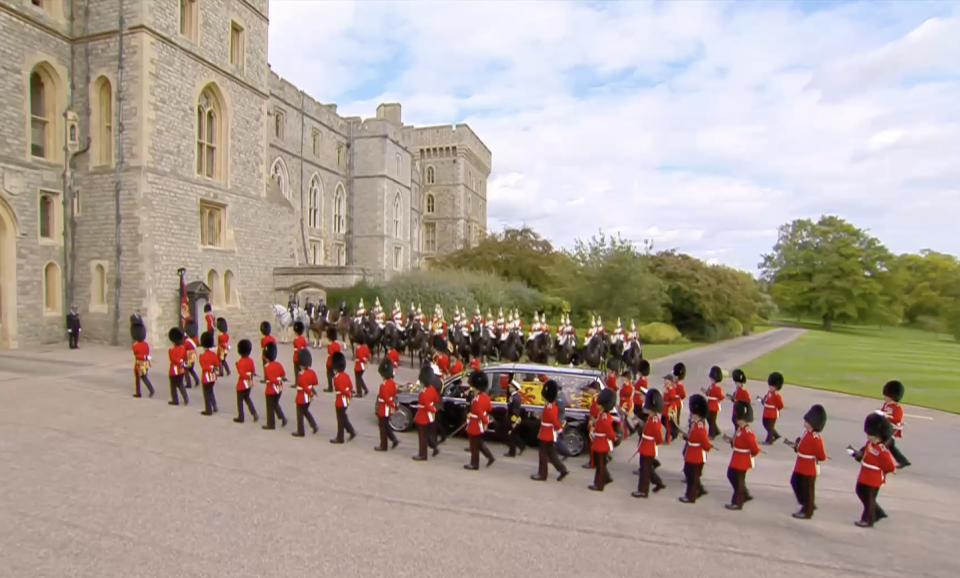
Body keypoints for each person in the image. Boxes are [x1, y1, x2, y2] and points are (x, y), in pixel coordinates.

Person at [850, 413, 897, 528]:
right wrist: (857, 455)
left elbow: (890, 466)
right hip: (865, 474)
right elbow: (865, 454)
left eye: (870, 434)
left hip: (873, 478)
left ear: (878, 436)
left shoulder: (882, 450)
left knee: (869, 498)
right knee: (860, 492)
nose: (868, 436)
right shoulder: (870, 444)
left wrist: (882, 471)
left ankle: (868, 519)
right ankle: (878, 513)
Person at [786, 404, 828, 519]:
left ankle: (807, 510)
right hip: (800, 464)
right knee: (795, 482)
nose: (805, 423)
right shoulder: (806, 433)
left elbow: (821, 456)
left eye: (808, 422)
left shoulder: (816, 438)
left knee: (807, 489)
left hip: (809, 467)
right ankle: (807, 504)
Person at [725, 401, 761, 510]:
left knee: (738, 481)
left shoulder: (747, 431)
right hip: (736, 458)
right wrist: (731, 442)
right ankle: (744, 495)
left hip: (742, 460)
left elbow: (754, 448)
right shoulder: (740, 429)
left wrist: (751, 455)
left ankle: (738, 502)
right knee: (732, 476)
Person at [532, 379, 569, 482]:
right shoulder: (549, 406)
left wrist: (559, 429)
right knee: (551, 454)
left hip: (547, 433)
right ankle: (562, 470)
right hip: (546, 431)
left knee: (542, 454)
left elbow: (554, 421)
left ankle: (542, 474)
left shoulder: (551, 407)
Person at [633, 388, 666, 498]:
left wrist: (652, 443)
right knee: (646, 468)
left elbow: (658, 438)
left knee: (645, 471)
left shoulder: (655, 420)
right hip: (645, 445)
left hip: (649, 447)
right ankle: (659, 483)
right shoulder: (651, 418)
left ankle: (643, 491)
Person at [679, 394, 712, 504]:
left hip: (696, 456)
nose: (691, 417)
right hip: (691, 454)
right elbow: (692, 438)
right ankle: (697, 492)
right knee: (690, 475)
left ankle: (690, 497)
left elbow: (704, 443)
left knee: (692, 478)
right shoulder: (695, 425)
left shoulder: (700, 427)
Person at [464, 370, 496, 470]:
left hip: (476, 424)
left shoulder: (477, 399)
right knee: (479, 443)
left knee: (474, 446)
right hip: (478, 423)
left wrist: (485, 421)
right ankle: (490, 457)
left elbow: (479, 413)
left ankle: (474, 464)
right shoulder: (485, 397)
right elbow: (489, 409)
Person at [588, 388, 617, 492]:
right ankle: (605, 479)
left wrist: (614, 439)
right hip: (598, 442)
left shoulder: (605, 417)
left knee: (600, 465)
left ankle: (600, 485)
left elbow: (609, 432)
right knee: (600, 465)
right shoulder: (602, 415)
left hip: (602, 444)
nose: (597, 405)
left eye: (599, 404)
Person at [879, 380, 911, 468]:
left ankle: (885, 463)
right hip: (884, 428)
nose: (884, 397)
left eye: (886, 395)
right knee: (890, 447)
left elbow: (897, 419)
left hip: (891, 430)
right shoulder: (886, 405)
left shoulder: (897, 408)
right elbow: (882, 413)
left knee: (883, 445)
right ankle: (903, 461)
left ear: (891, 396)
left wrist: (887, 417)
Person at [413, 365, 441, 461]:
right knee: (427, 434)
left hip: (423, 415)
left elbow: (426, 405)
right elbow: (436, 399)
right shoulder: (432, 389)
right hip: (429, 416)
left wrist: (432, 409)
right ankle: (435, 447)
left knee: (422, 437)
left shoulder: (424, 392)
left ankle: (423, 455)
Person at [330, 351, 357, 444]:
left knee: (340, 420)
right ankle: (351, 431)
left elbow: (341, 389)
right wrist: (350, 393)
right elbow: (350, 386)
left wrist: (348, 393)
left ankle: (340, 437)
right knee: (343, 417)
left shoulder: (336, 378)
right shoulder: (346, 375)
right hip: (346, 400)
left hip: (340, 400)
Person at [292, 349, 320, 437]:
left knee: (299, 414)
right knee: (306, 411)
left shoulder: (301, 375)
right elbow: (315, 382)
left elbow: (303, 386)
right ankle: (314, 425)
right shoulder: (312, 372)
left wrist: (309, 392)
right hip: (309, 396)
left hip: (302, 396)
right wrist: (312, 391)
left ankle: (301, 431)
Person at [374, 359, 400, 451]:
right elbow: (393, 394)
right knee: (386, 425)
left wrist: (392, 404)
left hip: (384, 408)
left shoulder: (383, 385)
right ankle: (394, 439)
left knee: (382, 428)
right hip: (388, 408)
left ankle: (383, 445)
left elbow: (386, 398)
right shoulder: (392, 383)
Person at [261, 341, 288, 430]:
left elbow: (269, 378)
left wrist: (275, 381)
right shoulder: (278, 364)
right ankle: (282, 418)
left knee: (270, 407)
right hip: (279, 388)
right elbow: (283, 374)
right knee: (275, 404)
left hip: (271, 389)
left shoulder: (267, 367)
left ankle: (270, 424)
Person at [233, 339, 259, 423]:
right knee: (247, 398)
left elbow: (241, 374)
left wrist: (237, 366)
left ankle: (241, 416)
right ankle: (254, 413)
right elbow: (253, 370)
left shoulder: (240, 362)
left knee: (239, 400)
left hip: (242, 384)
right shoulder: (250, 360)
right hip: (249, 383)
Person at [197, 331, 220, 415]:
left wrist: (209, 368)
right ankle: (215, 406)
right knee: (211, 391)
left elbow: (204, 367)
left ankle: (208, 410)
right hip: (213, 377)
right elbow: (217, 364)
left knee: (206, 394)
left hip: (206, 377)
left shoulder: (202, 356)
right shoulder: (213, 355)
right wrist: (212, 368)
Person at [759, 372, 785, 444]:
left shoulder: (776, 395)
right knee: (765, 424)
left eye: (772, 386)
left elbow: (780, 405)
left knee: (770, 427)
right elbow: (766, 400)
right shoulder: (769, 393)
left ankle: (769, 440)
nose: (770, 387)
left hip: (772, 413)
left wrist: (775, 410)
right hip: (766, 411)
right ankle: (775, 435)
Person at [131, 322, 155, 398]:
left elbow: (136, 355)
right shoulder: (146, 344)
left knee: (138, 378)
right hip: (146, 363)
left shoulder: (135, 345)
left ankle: (139, 392)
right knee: (144, 377)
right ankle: (149, 389)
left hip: (139, 363)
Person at [504, 379, 526, 457]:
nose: (509, 389)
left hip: (513, 419)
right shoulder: (513, 397)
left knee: (512, 435)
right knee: (514, 435)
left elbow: (515, 411)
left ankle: (512, 452)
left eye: (511, 387)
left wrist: (513, 422)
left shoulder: (516, 398)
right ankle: (521, 446)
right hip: (511, 417)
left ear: (514, 388)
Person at [167, 327, 188, 406]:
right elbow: (185, 358)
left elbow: (172, 359)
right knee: (180, 384)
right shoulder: (183, 348)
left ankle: (175, 400)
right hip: (181, 369)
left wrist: (178, 361)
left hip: (174, 370)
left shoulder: (171, 350)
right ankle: (185, 398)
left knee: (173, 386)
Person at [705, 366, 724, 439]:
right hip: (709, 403)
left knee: (712, 420)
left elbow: (720, 396)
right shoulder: (711, 386)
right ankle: (716, 430)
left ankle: (712, 434)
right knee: (709, 419)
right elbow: (708, 393)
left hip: (714, 405)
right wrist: (706, 392)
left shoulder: (717, 387)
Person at [661, 374, 681, 444]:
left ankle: (667, 439)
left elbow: (672, 401)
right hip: (665, 407)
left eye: (666, 380)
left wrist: (671, 411)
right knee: (663, 421)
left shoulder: (671, 389)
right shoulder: (666, 388)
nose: (665, 381)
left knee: (668, 424)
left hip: (669, 408)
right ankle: (673, 433)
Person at [183, 321, 200, 389]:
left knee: (186, 369)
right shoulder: (195, 338)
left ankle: (188, 383)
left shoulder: (187, 341)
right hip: (193, 355)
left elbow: (184, 348)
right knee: (191, 369)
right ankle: (197, 380)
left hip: (188, 356)